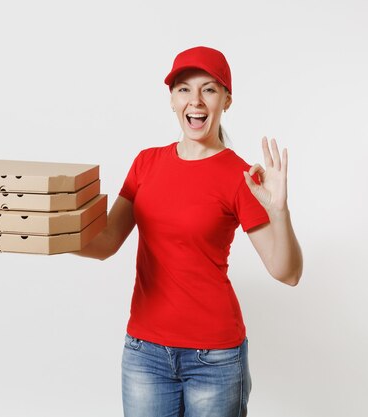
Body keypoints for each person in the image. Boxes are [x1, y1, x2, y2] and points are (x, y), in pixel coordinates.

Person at [76, 46, 303, 417]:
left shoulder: (240, 176)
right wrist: (46, 234)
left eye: (209, 89)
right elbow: (104, 244)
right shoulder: (146, 163)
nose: (195, 101)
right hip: (145, 354)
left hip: (214, 358)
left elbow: (287, 272)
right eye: (184, 89)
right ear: (171, 99)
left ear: (226, 100)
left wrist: (279, 211)